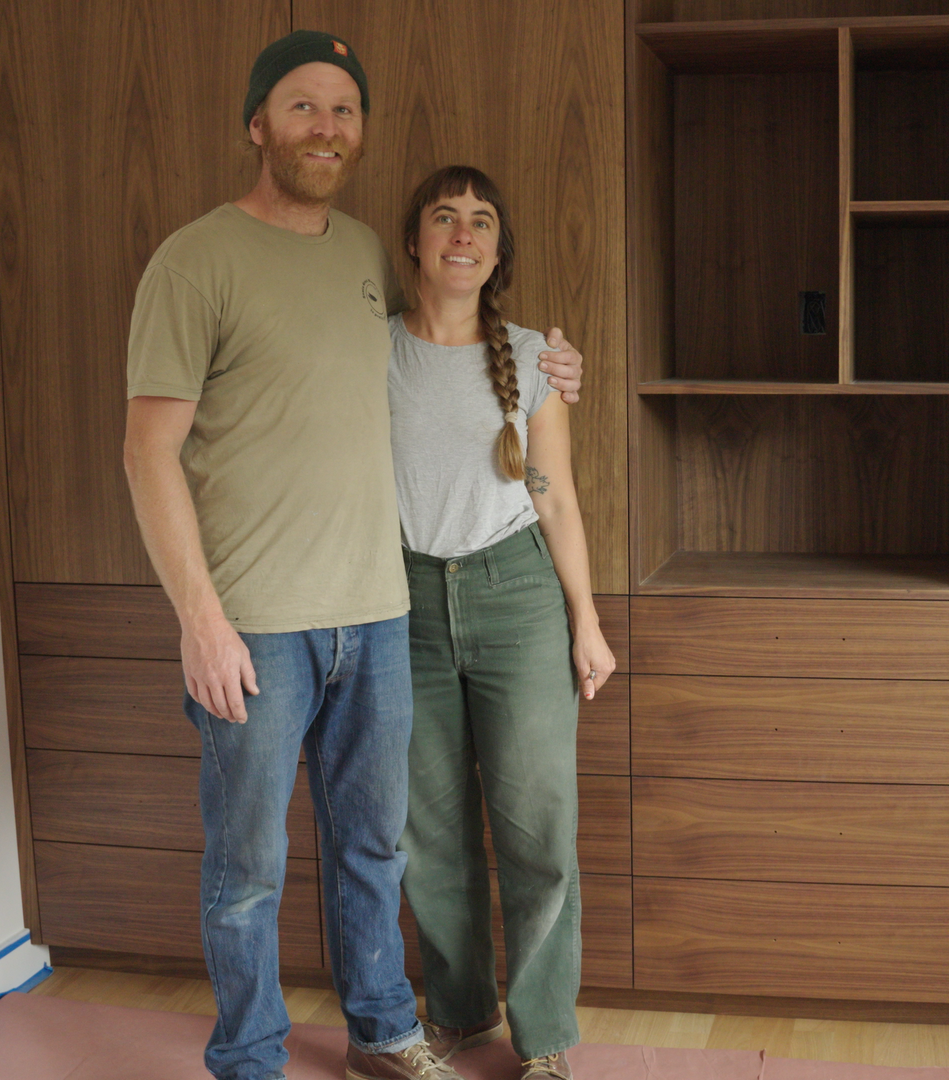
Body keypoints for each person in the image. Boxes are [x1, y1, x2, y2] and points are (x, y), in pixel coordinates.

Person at [120, 32, 585, 1080]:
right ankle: (250, 1059)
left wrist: (555, 366)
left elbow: (456, 335)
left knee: (377, 848)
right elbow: (147, 452)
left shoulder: (370, 253)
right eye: (302, 105)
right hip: (253, 623)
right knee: (248, 865)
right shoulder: (195, 261)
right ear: (258, 123)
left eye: (343, 109)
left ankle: (384, 1030)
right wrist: (200, 622)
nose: (325, 127)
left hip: (380, 612)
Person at [386, 166, 615, 1080]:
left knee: (536, 828)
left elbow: (556, 500)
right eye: (445, 217)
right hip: (402, 602)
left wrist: (585, 623)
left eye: (480, 222)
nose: (462, 234)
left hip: (516, 596)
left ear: (496, 250)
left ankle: (545, 1038)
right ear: (414, 241)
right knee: (428, 829)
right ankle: (460, 1011)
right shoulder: (372, 352)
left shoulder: (532, 360)